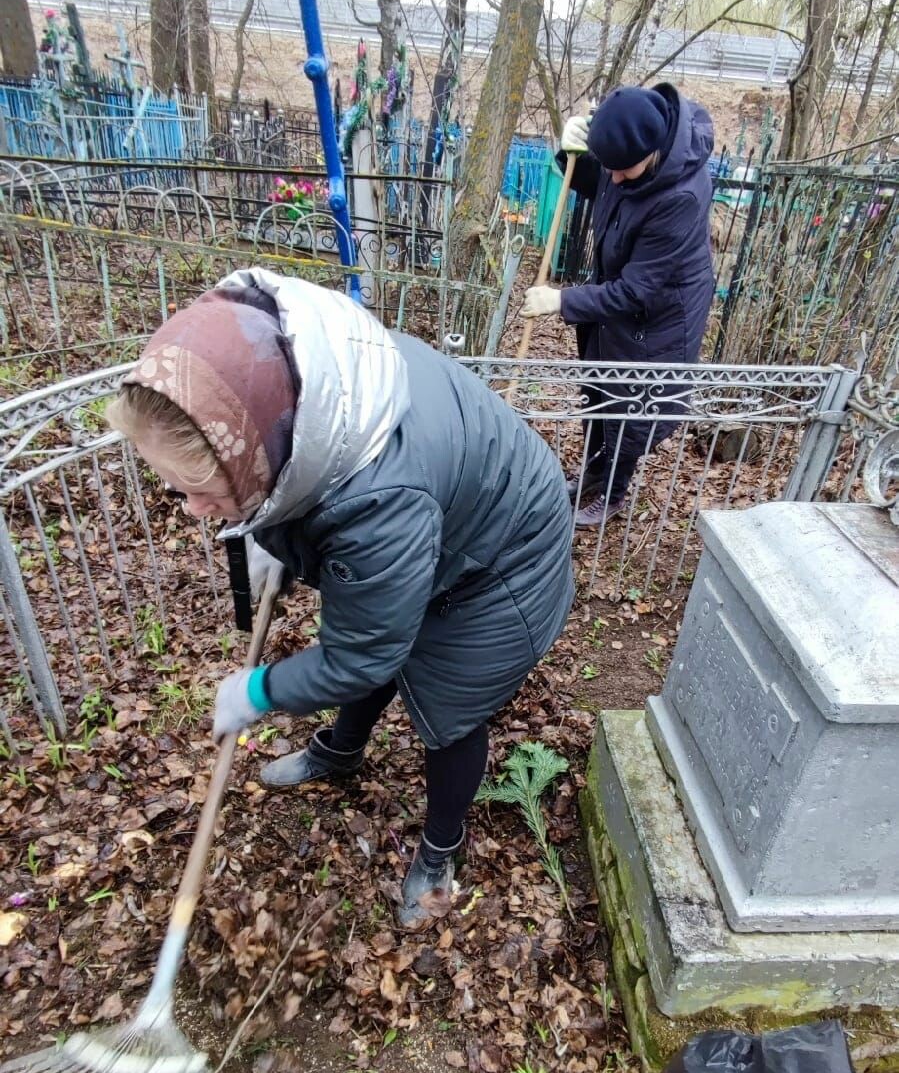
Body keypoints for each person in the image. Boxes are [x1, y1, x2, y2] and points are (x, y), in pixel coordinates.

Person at [105, 270, 574, 928]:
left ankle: (441, 849)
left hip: (499, 566)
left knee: (449, 709)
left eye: (201, 488)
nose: (192, 512)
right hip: (435, 523)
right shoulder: (297, 381)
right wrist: (270, 529)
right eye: (178, 489)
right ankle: (342, 751)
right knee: (377, 633)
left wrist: (258, 692)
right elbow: (362, 622)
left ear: (260, 459)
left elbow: (363, 654)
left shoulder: (377, 500)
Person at [522, 83, 715, 526]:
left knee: (630, 406)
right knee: (597, 389)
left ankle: (612, 492)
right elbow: (599, 183)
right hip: (619, 301)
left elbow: (636, 291)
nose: (614, 178)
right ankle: (592, 472)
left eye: (622, 169)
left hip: (659, 316)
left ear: (651, 153)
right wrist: (569, 151)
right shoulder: (632, 162)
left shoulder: (680, 196)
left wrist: (561, 299)